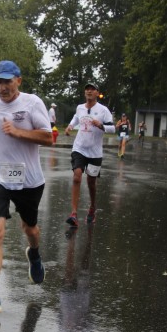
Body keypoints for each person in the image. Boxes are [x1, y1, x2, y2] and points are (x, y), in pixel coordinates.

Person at [0, 60, 53, 312]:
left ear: (18, 80)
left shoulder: (32, 103)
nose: (2, 87)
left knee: (30, 228)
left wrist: (18, 132)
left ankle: (34, 254)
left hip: (28, 179)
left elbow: (48, 136)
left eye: (7, 81)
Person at [64, 82, 115, 227]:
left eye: (92, 89)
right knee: (77, 176)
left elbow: (112, 128)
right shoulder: (80, 107)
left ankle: (92, 207)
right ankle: (73, 214)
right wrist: (70, 126)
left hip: (95, 152)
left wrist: (101, 125)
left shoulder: (103, 110)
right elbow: (76, 117)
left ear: (97, 93)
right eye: (87, 89)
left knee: (91, 182)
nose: (89, 91)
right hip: (79, 148)